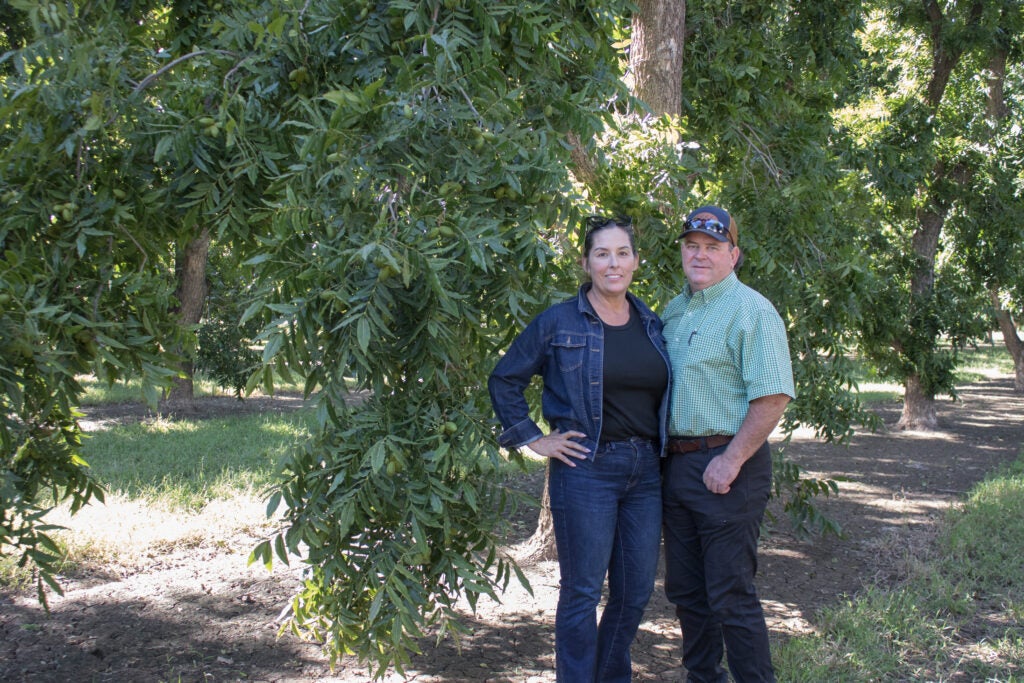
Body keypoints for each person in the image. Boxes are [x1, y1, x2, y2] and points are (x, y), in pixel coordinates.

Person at [488, 215, 671, 682]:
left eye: (622, 253)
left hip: (645, 470)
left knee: (633, 594)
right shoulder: (559, 320)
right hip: (586, 468)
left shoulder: (651, 322)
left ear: (635, 260)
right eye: (602, 254)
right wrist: (533, 438)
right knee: (583, 593)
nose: (614, 263)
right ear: (586, 262)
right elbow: (505, 378)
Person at [661, 205, 795, 683]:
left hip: (728, 468)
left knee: (729, 593)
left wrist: (731, 459)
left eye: (712, 247)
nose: (700, 255)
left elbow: (774, 394)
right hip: (676, 468)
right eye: (692, 246)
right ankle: (703, 676)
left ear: (733, 255)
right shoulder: (673, 311)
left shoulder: (751, 310)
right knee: (687, 591)